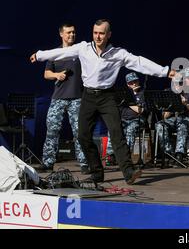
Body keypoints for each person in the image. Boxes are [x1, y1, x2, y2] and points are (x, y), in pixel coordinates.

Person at [30, 19, 176, 184]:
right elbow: (60, 53)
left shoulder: (118, 53)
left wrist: (165, 72)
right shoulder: (83, 48)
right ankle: (97, 172)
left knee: (116, 134)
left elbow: (140, 62)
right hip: (88, 97)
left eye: (101, 33)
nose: (97, 37)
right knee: (83, 136)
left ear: (108, 35)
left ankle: (129, 172)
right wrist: (40, 55)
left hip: (107, 97)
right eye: (95, 33)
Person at [38, 23, 88, 173]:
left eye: (73, 32)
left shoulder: (80, 53)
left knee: (79, 132)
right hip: (58, 98)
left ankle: (84, 163)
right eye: (68, 33)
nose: (71, 35)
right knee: (52, 130)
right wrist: (56, 75)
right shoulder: (55, 53)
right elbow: (46, 74)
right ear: (61, 34)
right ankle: (48, 162)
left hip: (77, 98)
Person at [155, 67, 189, 165]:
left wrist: (186, 105)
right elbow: (165, 117)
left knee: (183, 124)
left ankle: (179, 154)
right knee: (160, 125)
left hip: (187, 118)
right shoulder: (167, 92)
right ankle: (169, 154)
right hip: (172, 118)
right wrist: (172, 107)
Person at [104, 72, 147, 165]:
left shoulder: (143, 94)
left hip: (137, 120)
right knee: (113, 127)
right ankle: (111, 155)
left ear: (138, 81)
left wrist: (129, 103)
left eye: (135, 81)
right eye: (131, 83)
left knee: (131, 129)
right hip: (123, 119)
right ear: (128, 84)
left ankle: (126, 157)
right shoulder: (123, 94)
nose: (134, 84)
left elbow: (141, 110)